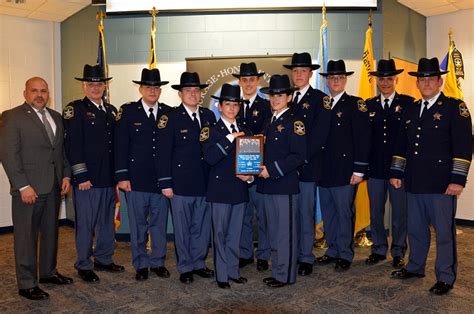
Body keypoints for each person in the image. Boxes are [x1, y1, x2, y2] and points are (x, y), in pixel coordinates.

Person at [390, 57, 472, 295]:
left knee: (444, 233)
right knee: (415, 229)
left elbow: (464, 146)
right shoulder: (412, 109)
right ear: (417, 83)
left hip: (441, 184)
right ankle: (415, 266)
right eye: (422, 79)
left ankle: (445, 276)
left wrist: (457, 179)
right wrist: (397, 172)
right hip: (414, 182)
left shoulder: (454, 108)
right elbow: (401, 144)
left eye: (430, 79)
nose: (426, 83)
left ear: (439, 81)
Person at [1, 77, 73, 300]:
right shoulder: (12, 117)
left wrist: (66, 176)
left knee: (51, 233)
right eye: (34, 90)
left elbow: (60, 152)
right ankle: (26, 283)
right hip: (28, 190)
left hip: (53, 187)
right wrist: (22, 185)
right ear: (25, 93)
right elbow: (8, 155)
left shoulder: (56, 117)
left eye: (43, 90)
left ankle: (48, 273)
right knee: (26, 237)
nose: (39, 94)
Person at [63, 64, 125, 283]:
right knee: (86, 224)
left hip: (108, 178)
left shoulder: (111, 111)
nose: (96, 87)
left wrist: (117, 176)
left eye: (99, 84)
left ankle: (104, 258)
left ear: (105, 86)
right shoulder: (75, 109)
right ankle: (84, 263)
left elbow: (115, 145)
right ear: (84, 85)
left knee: (106, 222)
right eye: (91, 84)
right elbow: (72, 145)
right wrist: (81, 176)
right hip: (87, 180)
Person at [157, 72, 216, 284]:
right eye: (188, 90)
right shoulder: (171, 118)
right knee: (182, 228)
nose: (193, 94)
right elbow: (163, 152)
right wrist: (165, 183)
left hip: (204, 181)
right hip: (180, 183)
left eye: (196, 90)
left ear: (201, 94)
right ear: (180, 94)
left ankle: (199, 263)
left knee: (201, 226)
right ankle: (185, 266)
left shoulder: (209, 116)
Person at [114, 68, 171, 281]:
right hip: (135, 180)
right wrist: (122, 176)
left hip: (160, 181)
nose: (152, 91)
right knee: (138, 225)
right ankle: (140, 264)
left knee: (159, 224)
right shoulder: (128, 112)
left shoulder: (167, 112)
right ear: (140, 88)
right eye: (148, 87)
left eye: (156, 87)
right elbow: (120, 146)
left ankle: (158, 262)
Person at [316, 60, 370, 271]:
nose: (335, 81)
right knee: (329, 213)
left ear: (345, 80)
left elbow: (363, 139)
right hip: (325, 171)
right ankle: (332, 250)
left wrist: (359, 170)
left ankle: (345, 254)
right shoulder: (323, 105)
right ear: (327, 81)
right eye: (331, 78)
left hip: (346, 172)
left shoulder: (356, 105)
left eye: (339, 77)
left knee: (344, 213)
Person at [283, 52, 331, 276]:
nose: (299, 74)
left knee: (305, 214)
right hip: (285, 172)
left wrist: (298, 160)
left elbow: (319, 138)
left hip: (306, 168)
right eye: (295, 71)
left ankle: (305, 257)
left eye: (303, 71)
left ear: (311, 74)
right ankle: (289, 253)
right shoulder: (283, 98)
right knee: (288, 216)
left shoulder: (320, 100)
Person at [201, 83, 253, 289]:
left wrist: (249, 178)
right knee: (220, 235)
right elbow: (210, 158)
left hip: (240, 190)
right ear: (219, 106)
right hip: (219, 191)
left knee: (235, 234)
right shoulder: (211, 131)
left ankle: (233, 271)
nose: (232, 108)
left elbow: (251, 162)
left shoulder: (247, 130)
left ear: (239, 108)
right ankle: (221, 275)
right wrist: (231, 138)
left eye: (235, 104)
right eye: (227, 104)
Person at [257, 74, 307, 288]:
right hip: (268, 186)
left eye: (280, 95)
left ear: (289, 96)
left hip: (284, 186)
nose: (275, 99)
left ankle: (285, 275)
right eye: (272, 95)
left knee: (285, 233)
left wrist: (273, 171)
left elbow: (299, 156)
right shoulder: (269, 122)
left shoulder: (295, 123)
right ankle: (278, 270)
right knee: (274, 231)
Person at [364, 59, 414, 268]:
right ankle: (378, 248)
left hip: (398, 169)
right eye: (381, 79)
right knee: (376, 211)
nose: (384, 83)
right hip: (375, 169)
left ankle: (399, 250)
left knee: (400, 212)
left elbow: (411, 138)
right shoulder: (368, 105)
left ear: (396, 79)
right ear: (376, 81)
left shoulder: (408, 103)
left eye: (389, 79)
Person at [233, 62, 272, 271]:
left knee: (263, 215)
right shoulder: (233, 105)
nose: (248, 83)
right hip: (239, 174)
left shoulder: (267, 106)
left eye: (252, 79)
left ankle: (264, 254)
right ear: (240, 82)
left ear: (258, 81)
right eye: (244, 80)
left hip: (259, 171)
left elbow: (267, 135)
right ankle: (245, 253)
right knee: (244, 215)